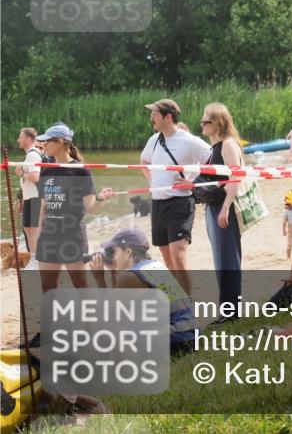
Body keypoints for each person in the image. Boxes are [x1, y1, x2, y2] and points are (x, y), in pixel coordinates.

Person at [139, 99, 210, 296]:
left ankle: (188, 302)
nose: (151, 118)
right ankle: (178, 299)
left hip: (180, 202)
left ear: (168, 117)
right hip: (158, 203)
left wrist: (194, 182)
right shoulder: (153, 140)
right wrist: (152, 180)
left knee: (178, 254)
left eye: (155, 114)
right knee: (167, 257)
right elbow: (144, 160)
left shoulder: (188, 140)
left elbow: (212, 160)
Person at [88, 228, 196, 355]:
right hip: (188, 336)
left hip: (172, 344)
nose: (111, 256)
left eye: (114, 251)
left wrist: (99, 278)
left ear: (128, 252)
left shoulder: (131, 277)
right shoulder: (156, 266)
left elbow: (111, 318)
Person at [35, 123, 115, 292]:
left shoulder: (80, 171)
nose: (44, 145)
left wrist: (100, 197)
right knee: (48, 287)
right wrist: (38, 236)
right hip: (49, 234)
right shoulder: (47, 169)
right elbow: (42, 206)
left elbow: (90, 208)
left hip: (71, 233)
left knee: (80, 285)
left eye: (47, 141)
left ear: (60, 142)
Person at [199, 102, 245, 312]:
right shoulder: (214, 148)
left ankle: (230, 310)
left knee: (227, 259)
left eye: (206, 120)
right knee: (220, 259)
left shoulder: (228, 144)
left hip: (223, 208)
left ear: (218, 123)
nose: (202, 124)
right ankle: (227, 308)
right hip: (213, 208)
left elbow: (236, 176)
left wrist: (226, 207)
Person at [14, 128, 42, 269]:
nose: (18, 140)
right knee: (28, 228)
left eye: (20, 137)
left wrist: (20, 173)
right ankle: (33, 257)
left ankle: (36, 259)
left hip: (35, 196)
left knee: (33, 229)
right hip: (29, 196)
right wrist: (21, 199)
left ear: (28, 139)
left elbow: (35, 177)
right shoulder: (30, 154)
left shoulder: (32, 155)